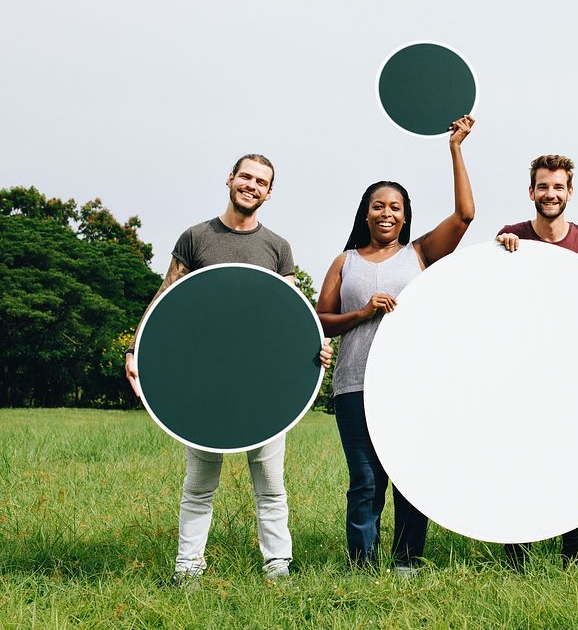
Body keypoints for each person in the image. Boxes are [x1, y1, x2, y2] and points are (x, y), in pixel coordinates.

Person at [125, 154, 334, 585]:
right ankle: (188, 569)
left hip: (262, 386)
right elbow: (166, 296)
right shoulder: (196, 238)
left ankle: (278, 566)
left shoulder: (277, 247)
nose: (252, 186)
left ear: (269, 192)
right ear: (230, 179)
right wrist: (135, 349)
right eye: (246, 177)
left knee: (271, 486)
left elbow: (288, 316)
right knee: (199, 485)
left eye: (262, 181)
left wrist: (316, 348)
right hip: (205, 381)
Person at [316, 115, 476, 574]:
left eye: (396, 207)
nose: (387, 213)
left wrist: (456, 149)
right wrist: (361, 313)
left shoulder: (420, 254)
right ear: (365, 213)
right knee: (365, 480)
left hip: (411, 387)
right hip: (353, 387)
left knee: (411, 478)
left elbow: (465, 216)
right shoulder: (344, 261)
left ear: (406, 216)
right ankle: (362, 567)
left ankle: (407, 562)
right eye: (378, 206)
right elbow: (321, 321)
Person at [495, 153, 578, 567]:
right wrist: (501, 250)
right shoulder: (511, 234)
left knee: (570, 457)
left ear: (570, 192)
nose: (551, 194)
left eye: (558, 187)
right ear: (531, 191)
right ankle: (517, 551)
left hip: (572, 370)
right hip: (521, 368)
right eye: (543, 186)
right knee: (519, 457)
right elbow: (488, 291)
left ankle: (573, 553)